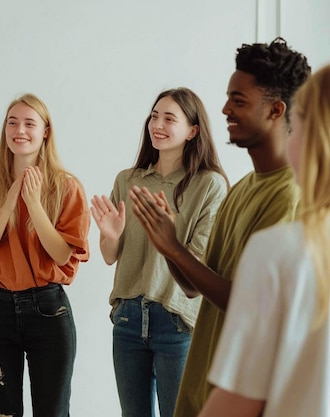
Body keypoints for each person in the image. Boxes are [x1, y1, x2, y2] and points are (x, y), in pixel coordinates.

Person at [128, 37, 311, 416]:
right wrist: (168, 243)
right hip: (203, 389)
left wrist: (174, 248)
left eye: (239, 101)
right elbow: (195, 288)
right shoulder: (242, 188)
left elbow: (248, 303)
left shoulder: (288, 197)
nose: (225, 108)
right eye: (229, 97)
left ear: (276, 111)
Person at [196, 62, 330, 417]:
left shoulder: (283, 249)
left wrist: (171, 247)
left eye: (298, 125)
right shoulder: (240, 191)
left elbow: (239, 400)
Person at [90, 87, 228, 417]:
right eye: (154, 116)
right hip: (127, 318)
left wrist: (169, 239)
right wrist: (110, 235)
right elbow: (110, 256)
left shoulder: (210, 185)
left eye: (169, 118)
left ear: (193, 131)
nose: (158, 124)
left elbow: (199, 267)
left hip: (178, 320)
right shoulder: (128, 180)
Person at [0, 93, 90, 417]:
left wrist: (35, 204)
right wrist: (9, 203)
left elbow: (60, 255)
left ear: (46, 132)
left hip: (49, 311)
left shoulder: (67, 187)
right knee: (3, 413)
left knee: (52, 412)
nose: (20, 130)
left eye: (30, 123)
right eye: (12, 122)